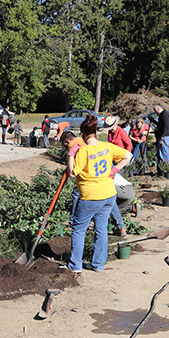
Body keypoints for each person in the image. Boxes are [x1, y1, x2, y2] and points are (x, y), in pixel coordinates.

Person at [63, 115, 131, 273]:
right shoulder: (107, 147)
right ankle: (97, 264)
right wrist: (114, 170)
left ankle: (75, 265)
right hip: (108, 194)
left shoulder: (83, 151)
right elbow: (128, 156)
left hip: (90, 196)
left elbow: (72, 173)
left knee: (79, 230)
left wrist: (71, 154)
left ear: (83, 134)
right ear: (96, 132)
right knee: (101, 229)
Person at [110, 172, 136, 237]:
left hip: (123, 189)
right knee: (117, 210)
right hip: (130, 191)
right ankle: (131, 208)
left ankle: (121, 227)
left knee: (108, 198)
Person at [153, 104, 169, 173]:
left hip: (165, 136)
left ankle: (166, 169)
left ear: (158, 109)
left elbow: (167, 126)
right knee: (160, 152)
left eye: (156, 111)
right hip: (162, 135)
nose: (156, 113)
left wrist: (163, 135)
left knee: (164, 152)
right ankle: (162, 169)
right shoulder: (162, 115)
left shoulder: (165, 115)